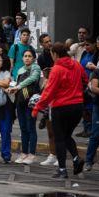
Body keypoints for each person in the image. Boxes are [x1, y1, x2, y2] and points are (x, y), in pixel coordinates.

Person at [32, 42, 87, 178]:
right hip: (77, 106)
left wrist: (37, 107)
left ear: (55, 54)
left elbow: (49, 92)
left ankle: (62, 170)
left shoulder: (56, 69)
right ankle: (76, 159)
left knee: (59, 138)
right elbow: (85, 80)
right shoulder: (77, 65)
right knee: (66, 135)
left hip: (61, 107)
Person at [8, 49, 41, 165]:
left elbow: (33, 79)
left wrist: (18, 86)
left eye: (29, 56)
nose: (27, 58)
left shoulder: (35, 68)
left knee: (31, 127)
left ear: (33, 58)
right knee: (23, 128)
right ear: (22, 58)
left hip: (31, 103)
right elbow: (16, 84)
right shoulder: (20, 70)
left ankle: (32, 154)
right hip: (20, 102)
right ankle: (24, 153)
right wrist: (12, 87)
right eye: (25, 56)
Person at [36, 33, 58, 166]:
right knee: (50, 128)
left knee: (59, 129)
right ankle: (52, 154)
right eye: (46, 42)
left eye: (50, 41)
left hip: (60, 95)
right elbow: (45, 76)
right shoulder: (42, 58)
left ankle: (59, 154)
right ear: (41, 44)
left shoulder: (58, 53)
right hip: (49, 91)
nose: (49, 43)